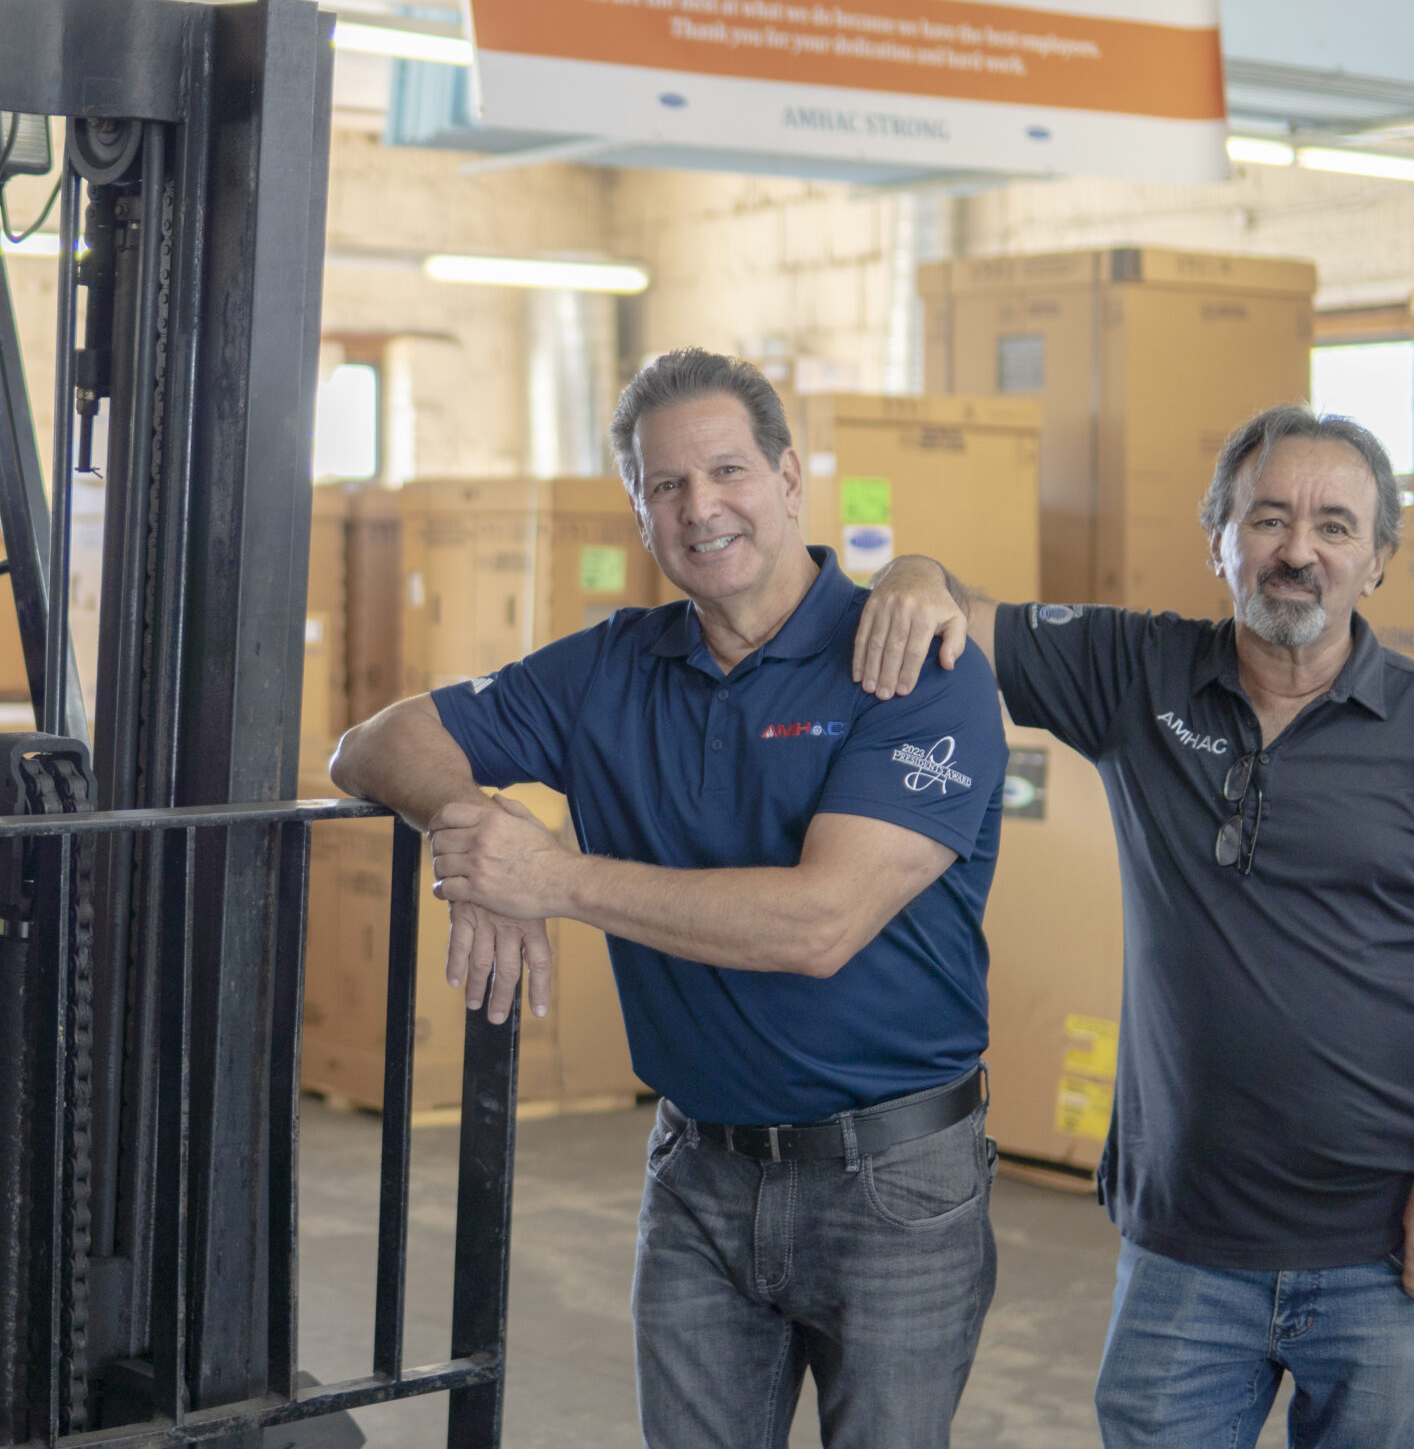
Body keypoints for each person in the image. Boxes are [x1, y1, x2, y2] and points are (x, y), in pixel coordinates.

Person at [331, 348, 1009, 1447]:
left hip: (892, 1184)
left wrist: (545, 881)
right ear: (639, 514)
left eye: (729, 472)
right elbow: (374, 743)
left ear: (788, 482)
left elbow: (818, 924)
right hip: (697, 1173)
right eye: (665, 486)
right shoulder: (610, 668)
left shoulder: (913, 664)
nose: (701, 508)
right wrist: (475, 830)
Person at [854, 402, 1414, 1449]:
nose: (1297, 551)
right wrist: (911, 572)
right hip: (1183, 1254)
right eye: (1266, 519)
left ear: (1377, 559)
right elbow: (953, 613)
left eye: (1335, 527)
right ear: (1216, 538)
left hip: (1388, 1248)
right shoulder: (1133, 673)